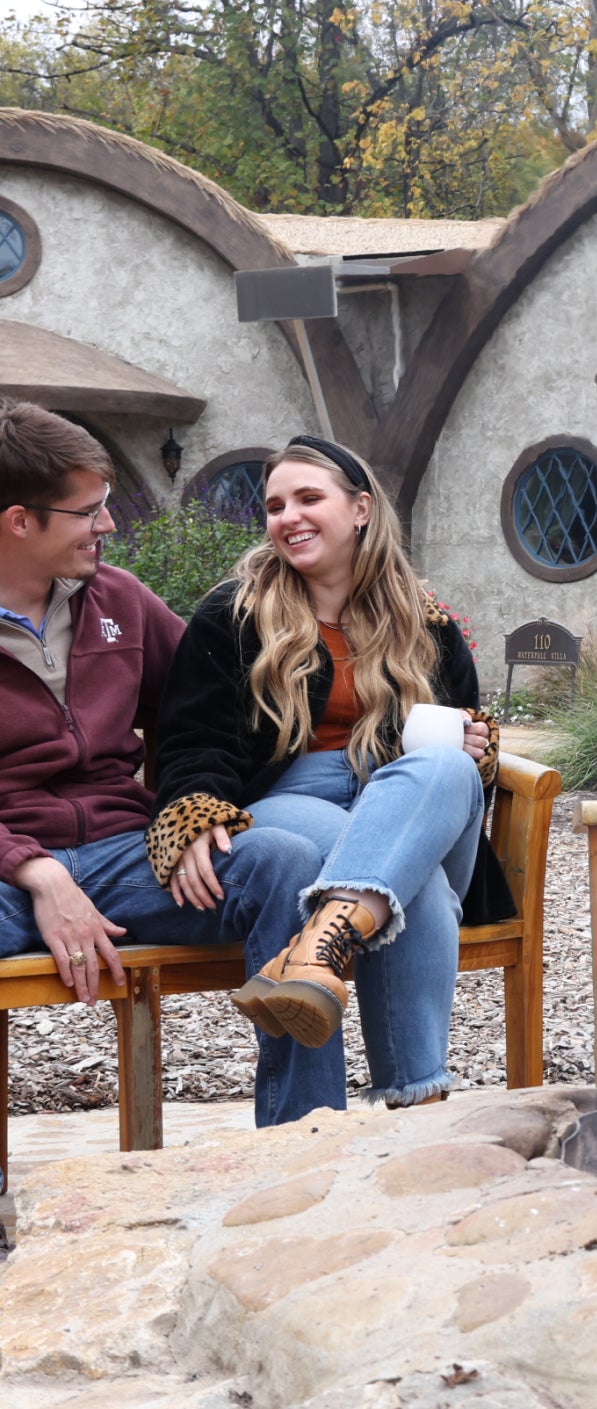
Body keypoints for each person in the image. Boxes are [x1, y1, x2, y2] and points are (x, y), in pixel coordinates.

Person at [0, 403, 338, 1147]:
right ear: (19, 521)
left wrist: (193, 809)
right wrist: (38, 874)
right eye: (88, 511)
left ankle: (305, 1156)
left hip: (125, 858)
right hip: (9, 871)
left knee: (283, 863)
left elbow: (212, 713)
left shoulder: (120, 601)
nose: (108, 526)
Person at [150, 437, 502, 1103]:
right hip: (291, 800)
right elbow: (193, 738)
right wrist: (192, 813)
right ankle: (417, 1101)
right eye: (276, 505)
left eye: (309, 498)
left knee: (447, 772)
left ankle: (319, 945)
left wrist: (477, 752)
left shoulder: (427, 624)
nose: (288, 517)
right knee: (414, 890)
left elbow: (463, 735)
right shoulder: (237, 614)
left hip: (406, 805)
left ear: (361, 509)